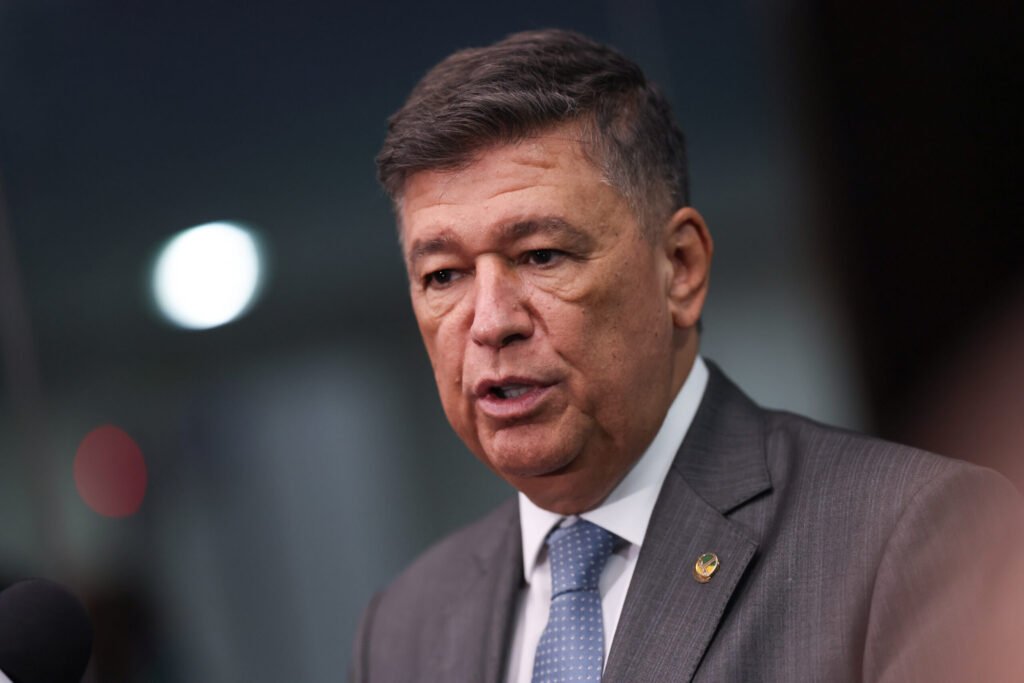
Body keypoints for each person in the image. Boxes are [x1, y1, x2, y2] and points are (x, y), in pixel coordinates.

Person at [352, 29, 1024, 682]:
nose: (492, 322)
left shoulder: (907, 534)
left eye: (541, 255)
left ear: (680, 267)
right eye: (444, 275)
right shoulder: (403, 628)